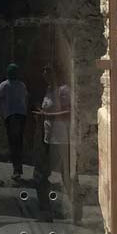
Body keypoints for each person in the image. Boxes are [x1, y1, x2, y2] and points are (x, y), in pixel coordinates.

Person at [34, 64, 71, 218]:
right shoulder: (49, 90)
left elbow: (69, 112)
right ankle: (47, 208)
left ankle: (48, 210)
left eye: (47, 72)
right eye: (44, 72)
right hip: (49, 137)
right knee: (48, 173)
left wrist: (48, 116)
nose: (44, 75)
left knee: (45, 174)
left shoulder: (63, 90)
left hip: (61, 138)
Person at [0, 63, 29, 183]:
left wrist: (0, 113)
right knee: (18, 141)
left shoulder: (4, 85)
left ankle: (16, 169)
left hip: (11, 115)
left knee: (13, 142)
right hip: (21, 115)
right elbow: (26, 98)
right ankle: (18, 166)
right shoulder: (22, 85)